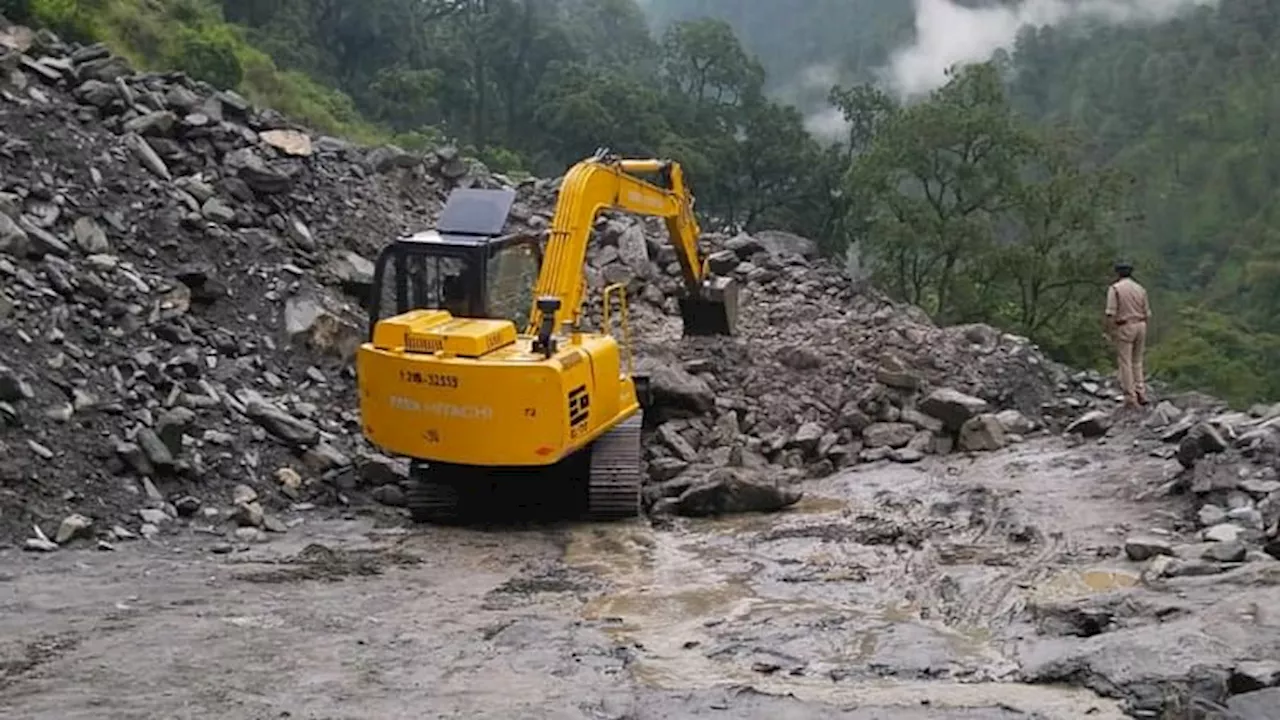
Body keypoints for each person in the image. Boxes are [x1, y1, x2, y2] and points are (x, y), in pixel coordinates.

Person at [1104, 261, 1151, 408]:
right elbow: (1147, 313)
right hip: (1141, 325)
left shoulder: (1115, 289)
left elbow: (1111, 312)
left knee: (1125, 362)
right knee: (1137, 361)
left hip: (1125, 325)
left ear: (1118, 273)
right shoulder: (1140, 289)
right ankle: (1141, 392)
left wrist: (1110, 331)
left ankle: (1130, 397)